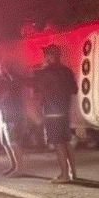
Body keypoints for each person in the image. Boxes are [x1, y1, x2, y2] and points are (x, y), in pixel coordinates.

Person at [32, 44, 77, 183]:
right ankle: (72, 173)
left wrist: (42, 70)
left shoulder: (45, 72)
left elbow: (36, 89)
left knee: (58, 143)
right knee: (66, 141)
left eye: (45, 56)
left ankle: (64, 175)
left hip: (52, 112)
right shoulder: (67, 70)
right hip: (64, 110)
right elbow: (74, 89)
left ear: (49, 56)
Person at [0, 59, 26, 176]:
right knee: (5, 142)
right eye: (1, 66)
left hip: (12, 114)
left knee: (13, 142)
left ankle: (20, 168)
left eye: (4, 66)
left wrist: (8, 75)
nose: (1, 69)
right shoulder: (1, 80)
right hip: (3, 112)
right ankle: (13, 165)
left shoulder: (14, 79)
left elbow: (8, 94)